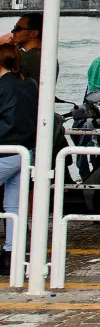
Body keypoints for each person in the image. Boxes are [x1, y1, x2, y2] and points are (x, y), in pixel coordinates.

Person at [0, 43, 39, 271]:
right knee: (13, 205)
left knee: (12, 204)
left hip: (4, 149)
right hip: (24, 151)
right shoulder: (29, 85)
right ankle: (11, 253)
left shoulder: (2, 87)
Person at [8, 14, 42, 83]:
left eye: (18, 28)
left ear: (33, 34)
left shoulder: (30, 58)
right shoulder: (41, 54)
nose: (13, 31)